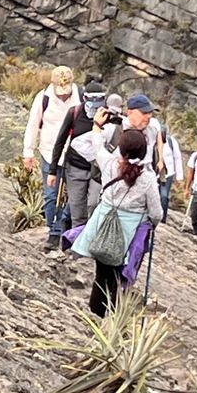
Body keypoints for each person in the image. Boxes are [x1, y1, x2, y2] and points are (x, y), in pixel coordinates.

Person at [70, 125, 164, 317]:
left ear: (121, 148)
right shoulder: (147, 178)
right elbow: (156, 212)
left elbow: (96, 144)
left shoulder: (109, 164)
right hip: (128, 231)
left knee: (101, 275)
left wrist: (97, 125)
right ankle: (113, 319)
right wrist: (150, 223)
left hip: (103, 224)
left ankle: (96, 316)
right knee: (118, 277)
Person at [22, 66, 81, 248]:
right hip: (49, 152)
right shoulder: (44, 98)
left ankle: (64, 229)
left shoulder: (79, 98)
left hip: (74, 153)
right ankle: (53, 230)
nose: (63, 95)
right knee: (51, 195)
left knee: (71, 195)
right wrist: (28, 152)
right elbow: (33, 124)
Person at [47, 82, 107, 232]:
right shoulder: (74, 113)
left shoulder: (108, 116)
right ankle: (75, 246)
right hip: (75, 169)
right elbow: (60, 142)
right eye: (91, 99)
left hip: (98, 171)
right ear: (84, 98)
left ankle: (90, 240)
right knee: (77, 209)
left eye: (99, 99)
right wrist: (52, 171)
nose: (95, 103)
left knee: (94, 204)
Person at [159, 129, 183, 223]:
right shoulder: (151, 139)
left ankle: (162, 218)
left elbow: (177, 158)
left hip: (167, 174)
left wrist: (179, 177)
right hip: (154, 173)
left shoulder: (171, 141)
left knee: (164, 196)